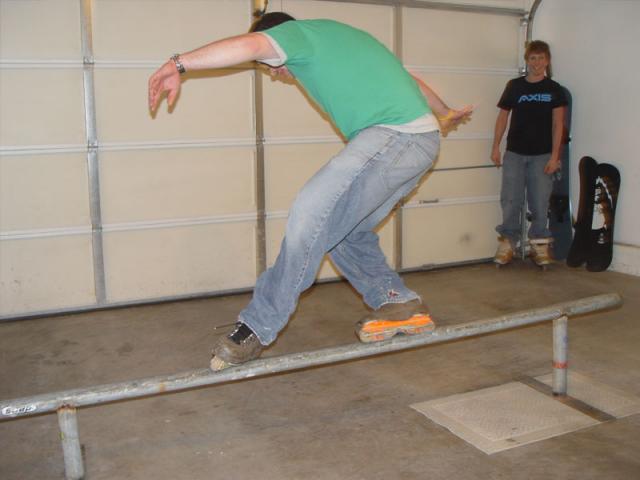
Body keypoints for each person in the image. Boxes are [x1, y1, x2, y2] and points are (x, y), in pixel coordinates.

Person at [148, 12, 473, 370]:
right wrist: (445, 112)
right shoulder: (340, 37)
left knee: (311, 211)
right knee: (345, 233)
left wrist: (179, 64)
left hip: (395, 136)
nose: (274, 74)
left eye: (269, 65)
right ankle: (397, 300)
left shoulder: (296, 34)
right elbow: (410, 80)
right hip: (420, 141)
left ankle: (258, 325)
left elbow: (249, 45)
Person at [491, 40, 567, 267]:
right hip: (515, 153)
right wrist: (495, 146)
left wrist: (555, 157)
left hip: (542, 156)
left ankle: (539, 246)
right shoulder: (514, 86)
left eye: (541, 58)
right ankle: (508, 243)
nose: (537, 62)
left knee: (540, 202)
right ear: (527, 60)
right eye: (533, 58)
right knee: (510, 200)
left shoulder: (554, 89)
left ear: (547, 61)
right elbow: (502, 117)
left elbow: (559, 124)